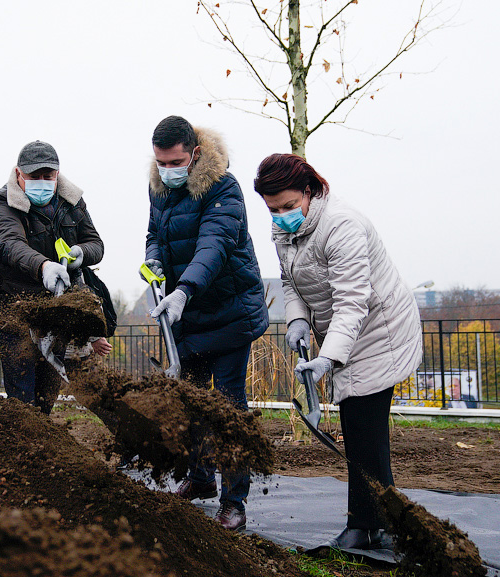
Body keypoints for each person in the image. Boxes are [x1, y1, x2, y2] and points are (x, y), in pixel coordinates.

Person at [254, 153, 423, 551]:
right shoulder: (283, 229)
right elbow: (290, 282)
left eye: (289, 206)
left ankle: (374, 525)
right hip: (345, 332)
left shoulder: (341, 225)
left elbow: (352, 301)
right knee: (362, 430)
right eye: (273, 209)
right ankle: (373, 525)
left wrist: (328, 358)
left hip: (378, 330)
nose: (280, 216)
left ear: (310, 191)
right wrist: (296, 320)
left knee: (364, 427)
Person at [145, 115, 268, 531]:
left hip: (228, 310)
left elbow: (214, 246)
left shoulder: (223, 188)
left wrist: (184, 290)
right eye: (161, 162)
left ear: (194, 153)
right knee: (191, 402)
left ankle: (235, 502)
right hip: (187, 318)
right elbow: (154, 234)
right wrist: (154, 260)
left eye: (176, 162)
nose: (168, 170)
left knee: (228, 406)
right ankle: (200, 481)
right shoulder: (159, 188)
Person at [0, 140, 109, 414]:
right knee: (22, 397)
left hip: (56, 312)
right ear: (19, 174)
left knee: (46, 395)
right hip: (15, 311)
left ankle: (41, 447)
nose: (41, 182)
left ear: (57, 174)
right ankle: (21, 446)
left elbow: (95, 243)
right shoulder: (3, 202)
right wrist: (43, 266)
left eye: (48, 176)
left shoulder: (72, 202)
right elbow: (8, 243)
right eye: (34, 176)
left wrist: (82, 251)